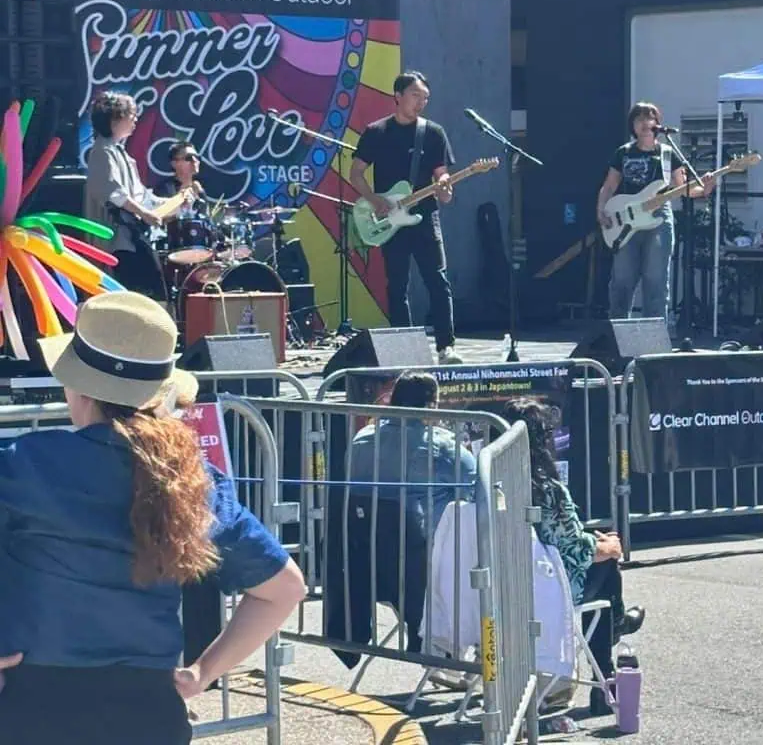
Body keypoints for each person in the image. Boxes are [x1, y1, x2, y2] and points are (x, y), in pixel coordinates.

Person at [0, 290, 306, 745]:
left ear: (77, 385)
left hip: (37, 708)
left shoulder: (23, 465)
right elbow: (285, 589)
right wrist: (203, 672)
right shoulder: (194, 481)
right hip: (150, 713)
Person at [504, 398, 644, 715]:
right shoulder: (547, 489)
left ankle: (614, 635)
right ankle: (606, 668)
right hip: (544, 589)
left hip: (501, 587)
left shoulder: (488, 483)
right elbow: (574, 549)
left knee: (600, 555)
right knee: (607, 566)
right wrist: (610, 546)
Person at [350, 72, 462, 364]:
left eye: (425, 97)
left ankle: (446, 348)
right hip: (391, 220)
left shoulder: (433, 133)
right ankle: (403, 347)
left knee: (438, 281)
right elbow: (356, 172)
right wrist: (375, 201)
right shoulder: (376, 132)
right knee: (397, 284)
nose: (421, 102)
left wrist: (445, 186)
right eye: (416, 95)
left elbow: (442, 174)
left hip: (425, 218)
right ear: (397, 95)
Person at [597, 101, 714, 320]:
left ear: (657, 124)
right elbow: (609, 185)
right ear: (632, 125)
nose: (644, 123)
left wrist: (705, 187)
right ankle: (616, 338)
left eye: (649, 118)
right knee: (622, 279)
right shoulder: (623, 153)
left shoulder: (668, 154)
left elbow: (684, 189)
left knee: (656, 280)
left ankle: (655, 340)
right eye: (639, 118)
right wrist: (601, 209)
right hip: (626, 220)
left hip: (658, 219)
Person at [348, 371, 476, 535]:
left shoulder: (360, 438)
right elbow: (477, 490)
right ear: (430, 407)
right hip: (427, 548)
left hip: (364, 543)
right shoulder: (444, 448)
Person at [84, 92, 184, 300]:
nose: (135, 119)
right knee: (141, 294)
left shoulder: (122, 154)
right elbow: (114, 194)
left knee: (154, 290)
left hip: (134, 238)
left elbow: (143, 198)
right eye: (131, 114)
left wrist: (177, 202)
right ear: (114, 119)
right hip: (118, 241)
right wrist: (145, 213)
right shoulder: (102, 152)